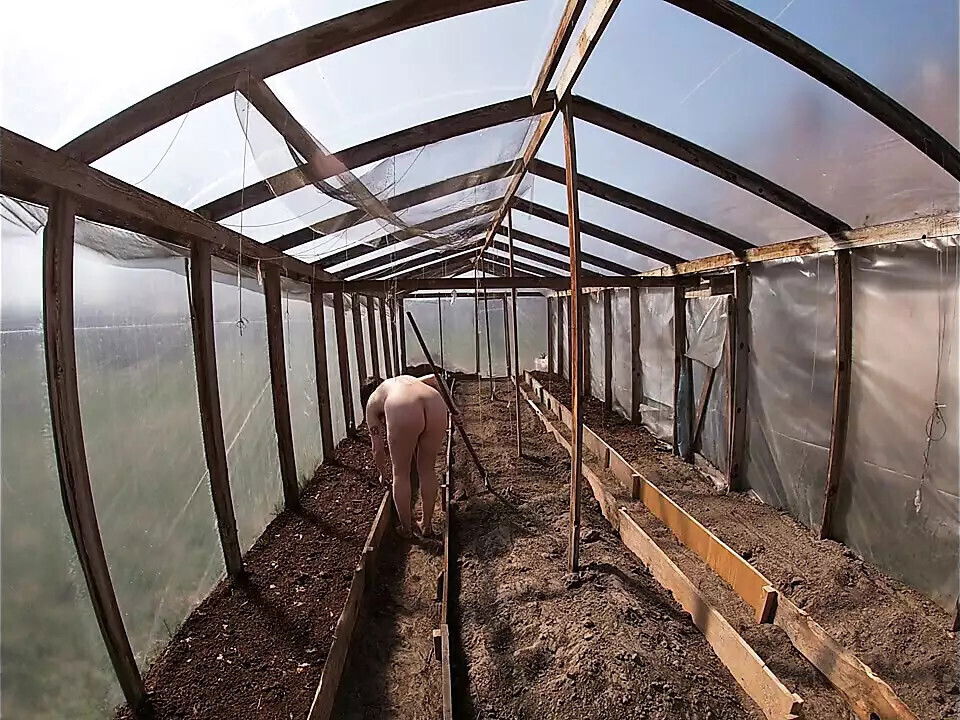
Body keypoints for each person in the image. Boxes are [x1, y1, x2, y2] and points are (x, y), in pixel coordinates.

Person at [361, 374, 448, 538]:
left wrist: (382, 474)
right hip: (435, 402)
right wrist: (454, 408)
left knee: (400, 473)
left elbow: (377, 449)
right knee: (428, 470)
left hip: (402, 408)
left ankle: (406, 529)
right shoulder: (401, 381)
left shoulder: (372, 401)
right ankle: (427, 525)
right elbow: (435, 378)